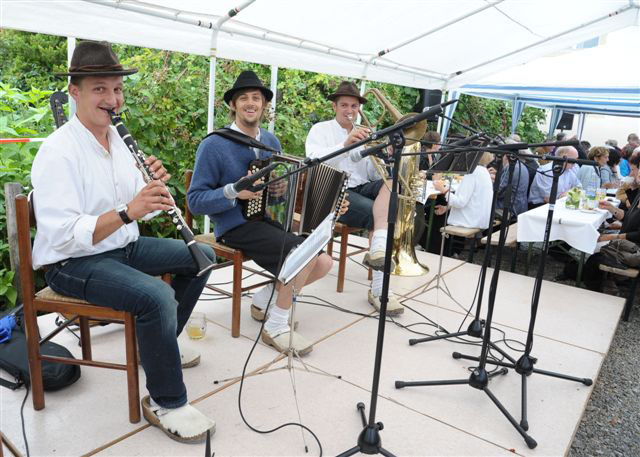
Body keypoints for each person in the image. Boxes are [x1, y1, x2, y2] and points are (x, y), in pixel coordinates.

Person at [32, 41, 216, 443]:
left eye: (117, 89)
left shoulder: (118, 140)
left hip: (121, 247)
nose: (113, 99)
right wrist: (128, 211)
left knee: (201, 256)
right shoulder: (57, 152)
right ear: (75, 92)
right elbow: (63, 234)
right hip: (72, 262)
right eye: (100, 89)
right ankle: (167, 401)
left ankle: (157, 345)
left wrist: (150, 193)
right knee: (156, 296)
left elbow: (139, 210)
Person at [188, 71, 335, 355]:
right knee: (302, 254)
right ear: (233, 105)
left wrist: (278, 189)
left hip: (265, 221)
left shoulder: (270, 141)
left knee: (324, 261)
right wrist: (234, 191)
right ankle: (275, 325)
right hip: (233, 226)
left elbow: (274, 194)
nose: (250, 103)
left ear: (264, 105)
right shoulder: (214, 145)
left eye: (256, 98)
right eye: (243, 98)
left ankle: (264, 300)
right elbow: (195, 201)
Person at [305, 80, 404, 315]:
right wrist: (345, 144)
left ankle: (377, 250)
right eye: (344, 105)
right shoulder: (320, 129)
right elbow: (313, 162)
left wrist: (383, 155)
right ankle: (380, 289)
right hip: (332, 190)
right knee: (380, 214)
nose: (349, 110)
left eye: (354, 106)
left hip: (360, 187)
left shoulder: (364, 132)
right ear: (334, 106)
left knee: (393, 185)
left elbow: (372, 174)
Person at [432, 152, 494, 236]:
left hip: (470, 221)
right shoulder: (484, 171)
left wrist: (443, 190)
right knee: (441, 217)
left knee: (437, 221)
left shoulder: (472, 172)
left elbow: (460, 202)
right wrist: (447, 208)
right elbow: (472, 200)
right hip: (479, 219)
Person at [487, 142, 530, 218]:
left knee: (484, 202)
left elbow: (498, 192)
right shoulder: (522, 166)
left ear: (506, 156)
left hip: (510, 208)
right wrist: (497, 176)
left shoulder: (510, 167)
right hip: (521, 206)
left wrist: (487, 181)